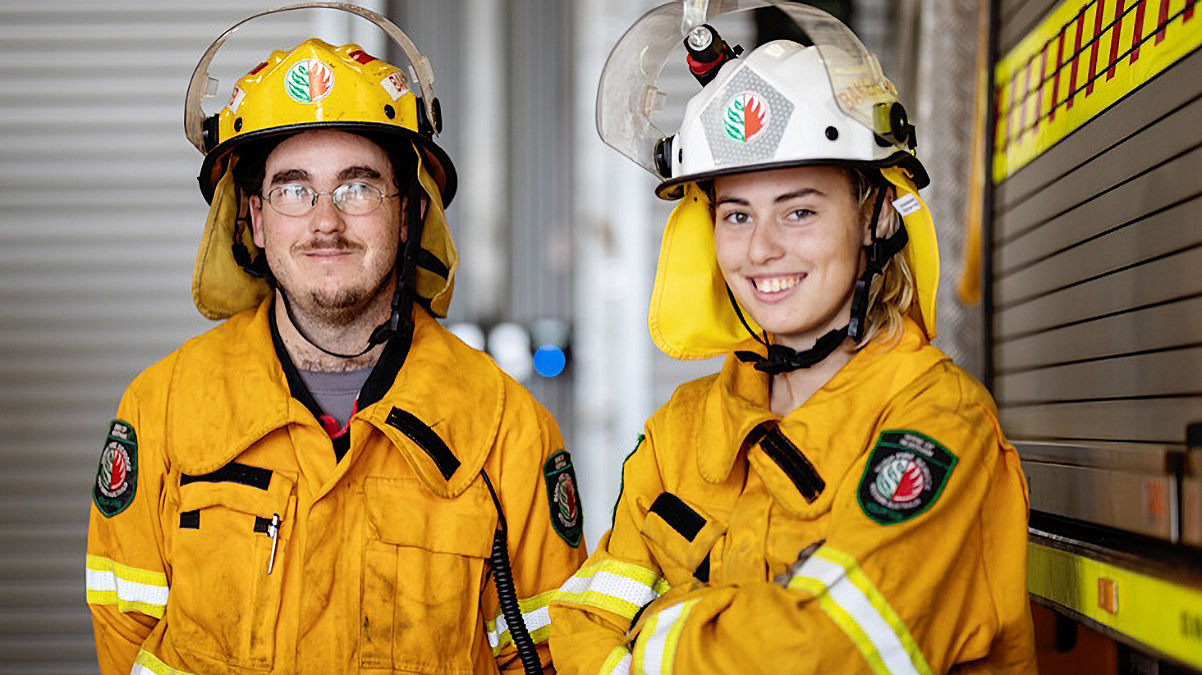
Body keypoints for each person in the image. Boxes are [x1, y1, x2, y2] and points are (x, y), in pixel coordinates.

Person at [85, 5, 585, 674]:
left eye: (357, 187)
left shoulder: (506, 430)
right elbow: (127, 638)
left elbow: (549, 654)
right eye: (294, 191)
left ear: (408, 215)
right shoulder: (164, 408)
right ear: (255, 219)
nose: (325, 222)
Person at [548, 3, 1037, 673]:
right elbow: (580, 624)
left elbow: (820, 654)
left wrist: (658, 628)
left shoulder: (939, 423)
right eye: (736, 214)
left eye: (799, 210)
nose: (761, 249)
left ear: (876, 215)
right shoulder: (680, 432)